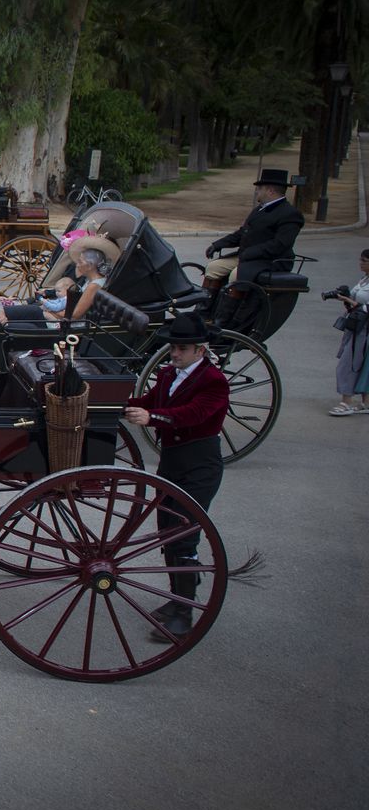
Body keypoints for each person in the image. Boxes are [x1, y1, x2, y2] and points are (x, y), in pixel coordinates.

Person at [123, 315, 230, 643]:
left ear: (200, 349)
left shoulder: (214, 381)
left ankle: (185, 612)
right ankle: (176, 598)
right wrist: (112, 403)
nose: (174, 353)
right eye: (172, 347)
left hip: (199, 465)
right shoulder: (170, 374)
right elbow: (147, 401)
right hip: (172, 463)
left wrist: (153, 418)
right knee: (167, 530)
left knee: (184, 535)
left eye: (182, 349)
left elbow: (195, 413)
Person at [203, 168, 304, 325]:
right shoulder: (259, 210)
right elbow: (242, 233)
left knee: (236, 276)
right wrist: (218, 244)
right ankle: (204, 312)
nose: (257, 192)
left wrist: (251, 253)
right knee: (213, 268)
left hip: (269, 261)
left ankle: (223, 319)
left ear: (270, 190)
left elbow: (280, 244)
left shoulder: (290, 214)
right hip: (247, 257)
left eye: (259, 189)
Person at [330, 248, 369, 415]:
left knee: (349, 363)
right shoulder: (364, 280)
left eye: (364, 261)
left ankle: (346, 401)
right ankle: (366, 402)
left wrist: (350, 302)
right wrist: (346, 299)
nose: (360, 263)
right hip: (355, 327)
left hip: (364, 329)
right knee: (360, 363)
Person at [44, 233, 118, 321]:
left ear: (90, 266)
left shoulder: (94, 285)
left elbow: (75, 315)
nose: (77, 265)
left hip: (71, 324)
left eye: (80, 262)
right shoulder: (89, 280)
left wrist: (50, 310)